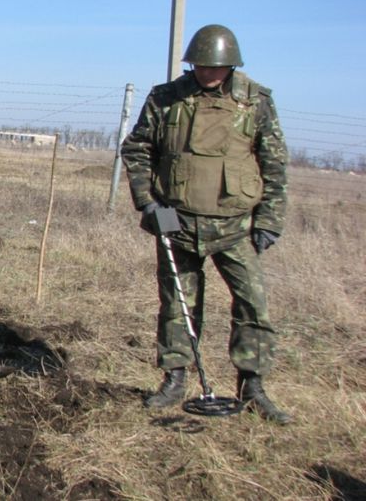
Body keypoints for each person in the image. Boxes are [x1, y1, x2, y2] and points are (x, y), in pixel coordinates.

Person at [121, 24, 291, 424]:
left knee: (253, 306)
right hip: (177, 222)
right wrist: (148, 204)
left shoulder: (255, 102)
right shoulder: (166, 99)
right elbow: (137, 149)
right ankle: (175, 380)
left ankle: (253, 387)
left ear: (230, 65)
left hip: (235, 226)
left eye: (215, 66)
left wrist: (268, 222)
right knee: (179, 306)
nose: (206, 72)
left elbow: (275, 166)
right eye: (200, 65)